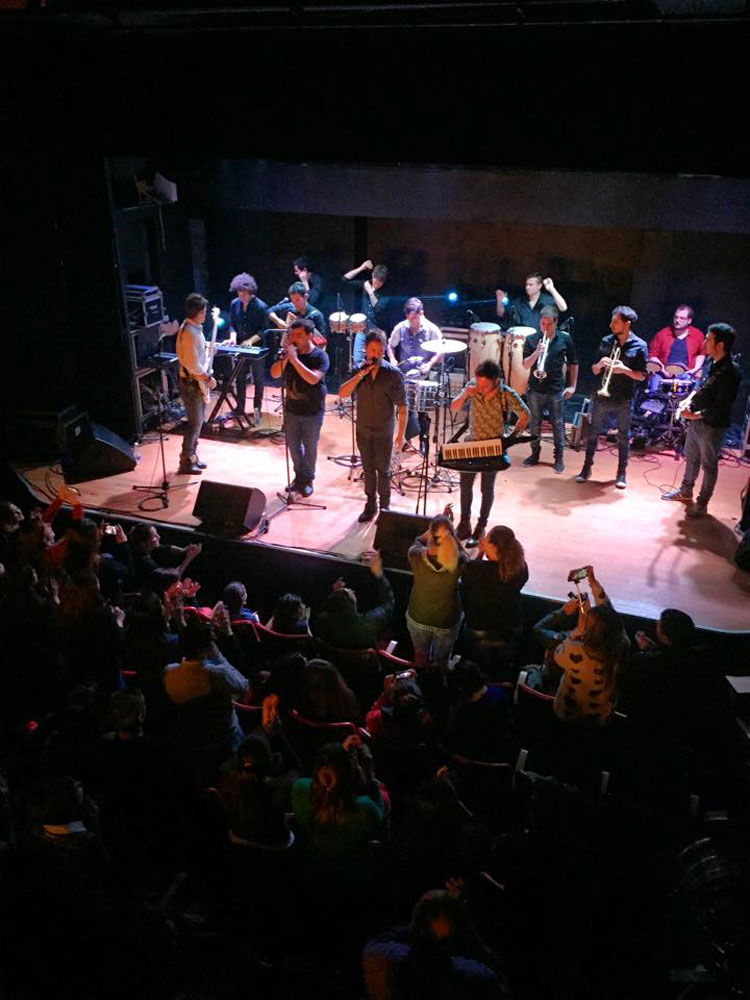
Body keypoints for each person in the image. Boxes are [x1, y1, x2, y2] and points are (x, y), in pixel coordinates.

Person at [661, 323, 740, 518]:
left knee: (709, 466)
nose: (704, 342)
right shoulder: (710, 363)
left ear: (720, 344)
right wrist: (688, 401)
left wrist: (694, 415)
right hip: (697, 422)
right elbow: (700, 387)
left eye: (708, 339)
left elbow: (721, 407)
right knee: (691, 458)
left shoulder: (730, 372)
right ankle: (685, 491)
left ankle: (702, 503)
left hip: (712, 426)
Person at [533, 565, 626, 726]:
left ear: (587, 628)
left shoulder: (575, 649)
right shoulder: (621, 644)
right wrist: (593, 583)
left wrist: (571, 622)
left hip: (568, 714)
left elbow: (540, 632)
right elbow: (608, 613)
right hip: (600, 718)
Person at [449, 360, 529, 541]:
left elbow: (526, 414)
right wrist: (464, 395)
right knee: (465, 486)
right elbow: (453, 407)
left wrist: (512, 437)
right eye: (478, 384)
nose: (480, 388)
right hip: (471, 444)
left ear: (496, 381)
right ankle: (464, 522)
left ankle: (481, 525)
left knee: (487, 488)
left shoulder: (505, 394)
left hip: (493, 447)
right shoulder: (472, 386)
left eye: (485, 386)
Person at [338, 329, 407, 521]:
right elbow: (343, 393)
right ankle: (370, 504)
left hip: (384, 431)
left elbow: (403, 406)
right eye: (371, 350)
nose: (375, 354)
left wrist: (400, 435)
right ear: (365, 350)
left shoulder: (393, 374)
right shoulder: (359, 370)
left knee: (383, 471)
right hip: (363, 429)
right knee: (368, 469)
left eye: (378, 350)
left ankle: (385, 508)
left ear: (384, 350)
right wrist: (361, 374)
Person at [576, 305, 647, 489]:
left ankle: (621, 472)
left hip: (623, 398)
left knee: (623, 437)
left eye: (615, 322)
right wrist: (600, 364)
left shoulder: (640, 345)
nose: (611, 325)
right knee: (593, 434)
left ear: (627, 324)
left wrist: (625, 370)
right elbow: (593, 369)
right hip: (602, 395)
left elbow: (642, 376)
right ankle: (586, 468)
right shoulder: (606, 341)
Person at [270, 317, 329, 497]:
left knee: (310, 446)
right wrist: (288, 358)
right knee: (294, 447)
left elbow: (313, 378)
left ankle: (308, 479)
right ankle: (298, 477)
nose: (295, 338)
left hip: (312, 410)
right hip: (292, 409)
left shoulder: (320, 356)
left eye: (299, 335)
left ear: (310, 336)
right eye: (293, 335)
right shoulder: (288, 355)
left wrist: (295, 360)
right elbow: (274, 373)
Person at [460, 524, 529, 677]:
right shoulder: (521, 568)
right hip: (510, 627)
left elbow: (467, 578)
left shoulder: (476, 569)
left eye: (486, 538)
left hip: (480, 626)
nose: (483, 540)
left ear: (493, 546)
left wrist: (480, 553)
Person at [521, 305, 578, 474]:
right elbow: (525, 365)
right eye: (542, 324)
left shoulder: (565, 339)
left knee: (558, 425)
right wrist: (537, 352)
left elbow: (574, 363)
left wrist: (573, 385)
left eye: (549, 325)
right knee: (534, 424)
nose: (545, 328)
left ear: (556, 323)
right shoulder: (531, 339)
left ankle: (558, 458)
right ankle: (534, 454)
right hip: (535, 389)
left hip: (555, 389)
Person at [406, 515, 468, 668]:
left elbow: (417, 540)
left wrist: (430, 530)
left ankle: (420, 685)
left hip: (418, 616)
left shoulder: (415, 555)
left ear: (430, 536)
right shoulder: (459, 560)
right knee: (441, 663)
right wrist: (450, 535)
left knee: (420, 659)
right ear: (451, 537)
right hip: (446, 621)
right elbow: (465, 554)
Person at [388, 298, 444, 450]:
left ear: (421, 314)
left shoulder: (432, 330)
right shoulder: (400, 327)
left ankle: (423, 440)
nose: (410, 321)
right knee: (404, 409)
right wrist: (393, 360)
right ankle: (406, 440)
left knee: (421, 410)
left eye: (413, 318)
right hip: (404, 375)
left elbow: (440, 350)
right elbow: (390, 346)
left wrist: (429, 364)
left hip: (422, 375)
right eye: (408, 318)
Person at [315, 550, 395, 650]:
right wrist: (379, 574)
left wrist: (333, 590)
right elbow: (388, 603)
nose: (351, 590)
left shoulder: (322, 621)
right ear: (354, 604)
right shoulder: (367, 624)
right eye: (349, 593)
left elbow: (318, 605)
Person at [175, 293, 217, 475]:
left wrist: (208, 348)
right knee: (195, 423)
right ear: (198, 312)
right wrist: (207, 378)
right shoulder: (190, 333)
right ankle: (186, 460)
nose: (205, 315)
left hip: (193, 382)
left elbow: (197, 354)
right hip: (191, 384)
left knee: (198, 423)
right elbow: (193, 364)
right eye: (204, 311)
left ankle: (192, 457)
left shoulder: (193, 329)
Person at [222, 272, 269, 426]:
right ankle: (239, 407)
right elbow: (232, 324)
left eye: (243, 294)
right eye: (239, 293)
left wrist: (250, 340)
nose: (240, 297)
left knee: (258, 379)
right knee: (240, 378)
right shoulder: (234, 303)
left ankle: (257, 409)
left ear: (250, 292)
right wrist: (233, 337)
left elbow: (263, 331)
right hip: (241, 346)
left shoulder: (261, 307)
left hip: (256, 347)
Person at [342, 258, 392, 350]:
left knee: (375, 359)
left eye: (380, 282)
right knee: (357, 358)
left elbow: (378, 308)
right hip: (362, 329)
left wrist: (370, 292)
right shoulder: (365, 284)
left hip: (377, 332)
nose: (377, 284)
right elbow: (344, 280)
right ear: (372, 276)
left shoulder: (386, 293)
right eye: (376, 280)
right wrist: (361, 268)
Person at [495, 272, 568, 331]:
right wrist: (499, 301)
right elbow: (501, 314)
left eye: (530, 285)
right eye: (526, 284)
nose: (527, 287)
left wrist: (551, 289)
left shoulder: (547, 300)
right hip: (522, 341)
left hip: (541, 340)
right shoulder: (518, 301)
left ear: (539, 286)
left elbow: (563, 308)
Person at [648, 304, 705, 375]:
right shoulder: (662, 334)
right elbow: (652, 354)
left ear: (689, 320)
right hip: (663, 373)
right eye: (676, 317)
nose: (677, 320)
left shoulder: (697, 335)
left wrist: (696, 369)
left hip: (687, 374)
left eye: (682, 318)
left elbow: (702, 353)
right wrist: (662, 369)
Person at [268, 281, 327, 345]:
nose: (294, 303)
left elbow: (322, 342)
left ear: (305, 297)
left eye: (297, 300)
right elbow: (268, 311)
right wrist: (278, 321)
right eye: (292, 300)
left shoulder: (316, 315)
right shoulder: (290, 307)